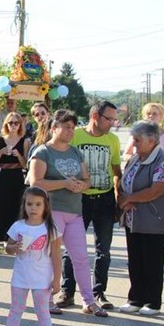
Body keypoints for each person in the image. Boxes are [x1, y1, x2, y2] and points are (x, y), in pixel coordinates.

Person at [28, 110, 107, 317]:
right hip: (52, 211)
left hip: (74, 212)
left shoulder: (75, 152)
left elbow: (87, 180)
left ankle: (89, 301)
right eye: (66, 127)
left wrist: (82, 185)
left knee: (81, 258)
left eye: (73, 127)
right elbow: (35, 182)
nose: (70, 131)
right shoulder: (43, 152)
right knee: (50, 256)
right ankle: (47, 299)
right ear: (54, 128)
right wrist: (64, 183)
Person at [57, 101, 121, 310]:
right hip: (78, 199)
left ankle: (98, 292)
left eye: (114, 119)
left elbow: (116, 171)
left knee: (104, 249)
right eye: (108, 118)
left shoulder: (113, 139)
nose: (112, 123)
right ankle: (67, 291)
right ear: (95, 116)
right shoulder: (75, 136)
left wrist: (119, 198)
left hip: (105, 198)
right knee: (72, 247)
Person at [117, 121, 164, 316]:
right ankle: (135, 298)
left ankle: (152, 302)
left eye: (137, 140)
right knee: (135, 260)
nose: (133, 143)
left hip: (154, 219)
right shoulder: (136, 158)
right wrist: (123, 199)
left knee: (152, 261)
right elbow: (124, 181)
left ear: (152, 140)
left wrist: (130, 198)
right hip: (133, 218)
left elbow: (156, 190)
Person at [0, 187, 61, 326]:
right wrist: (13, 248)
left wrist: (57, 279)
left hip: (42, 279)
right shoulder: (18, 226)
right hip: (20, 277)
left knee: (42, 312)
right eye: (29, 204)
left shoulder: (50, 228)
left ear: (45, 206)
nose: (33, 208)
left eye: (38, 204)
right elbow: (7, 247)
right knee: (15, 310)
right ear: (24, 205)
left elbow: (56, 256)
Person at [0, 111, 30, 243]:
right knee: (1, 205)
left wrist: (18, 155)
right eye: (10, 123)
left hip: (17, 175)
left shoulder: (24, 141)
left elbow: (25, 165)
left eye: (16, 123)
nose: (13, 125)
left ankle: (13, 237)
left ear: (20, 125)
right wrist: (1, 152)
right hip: (2, 174)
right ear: (6, 124)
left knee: (16, 206)